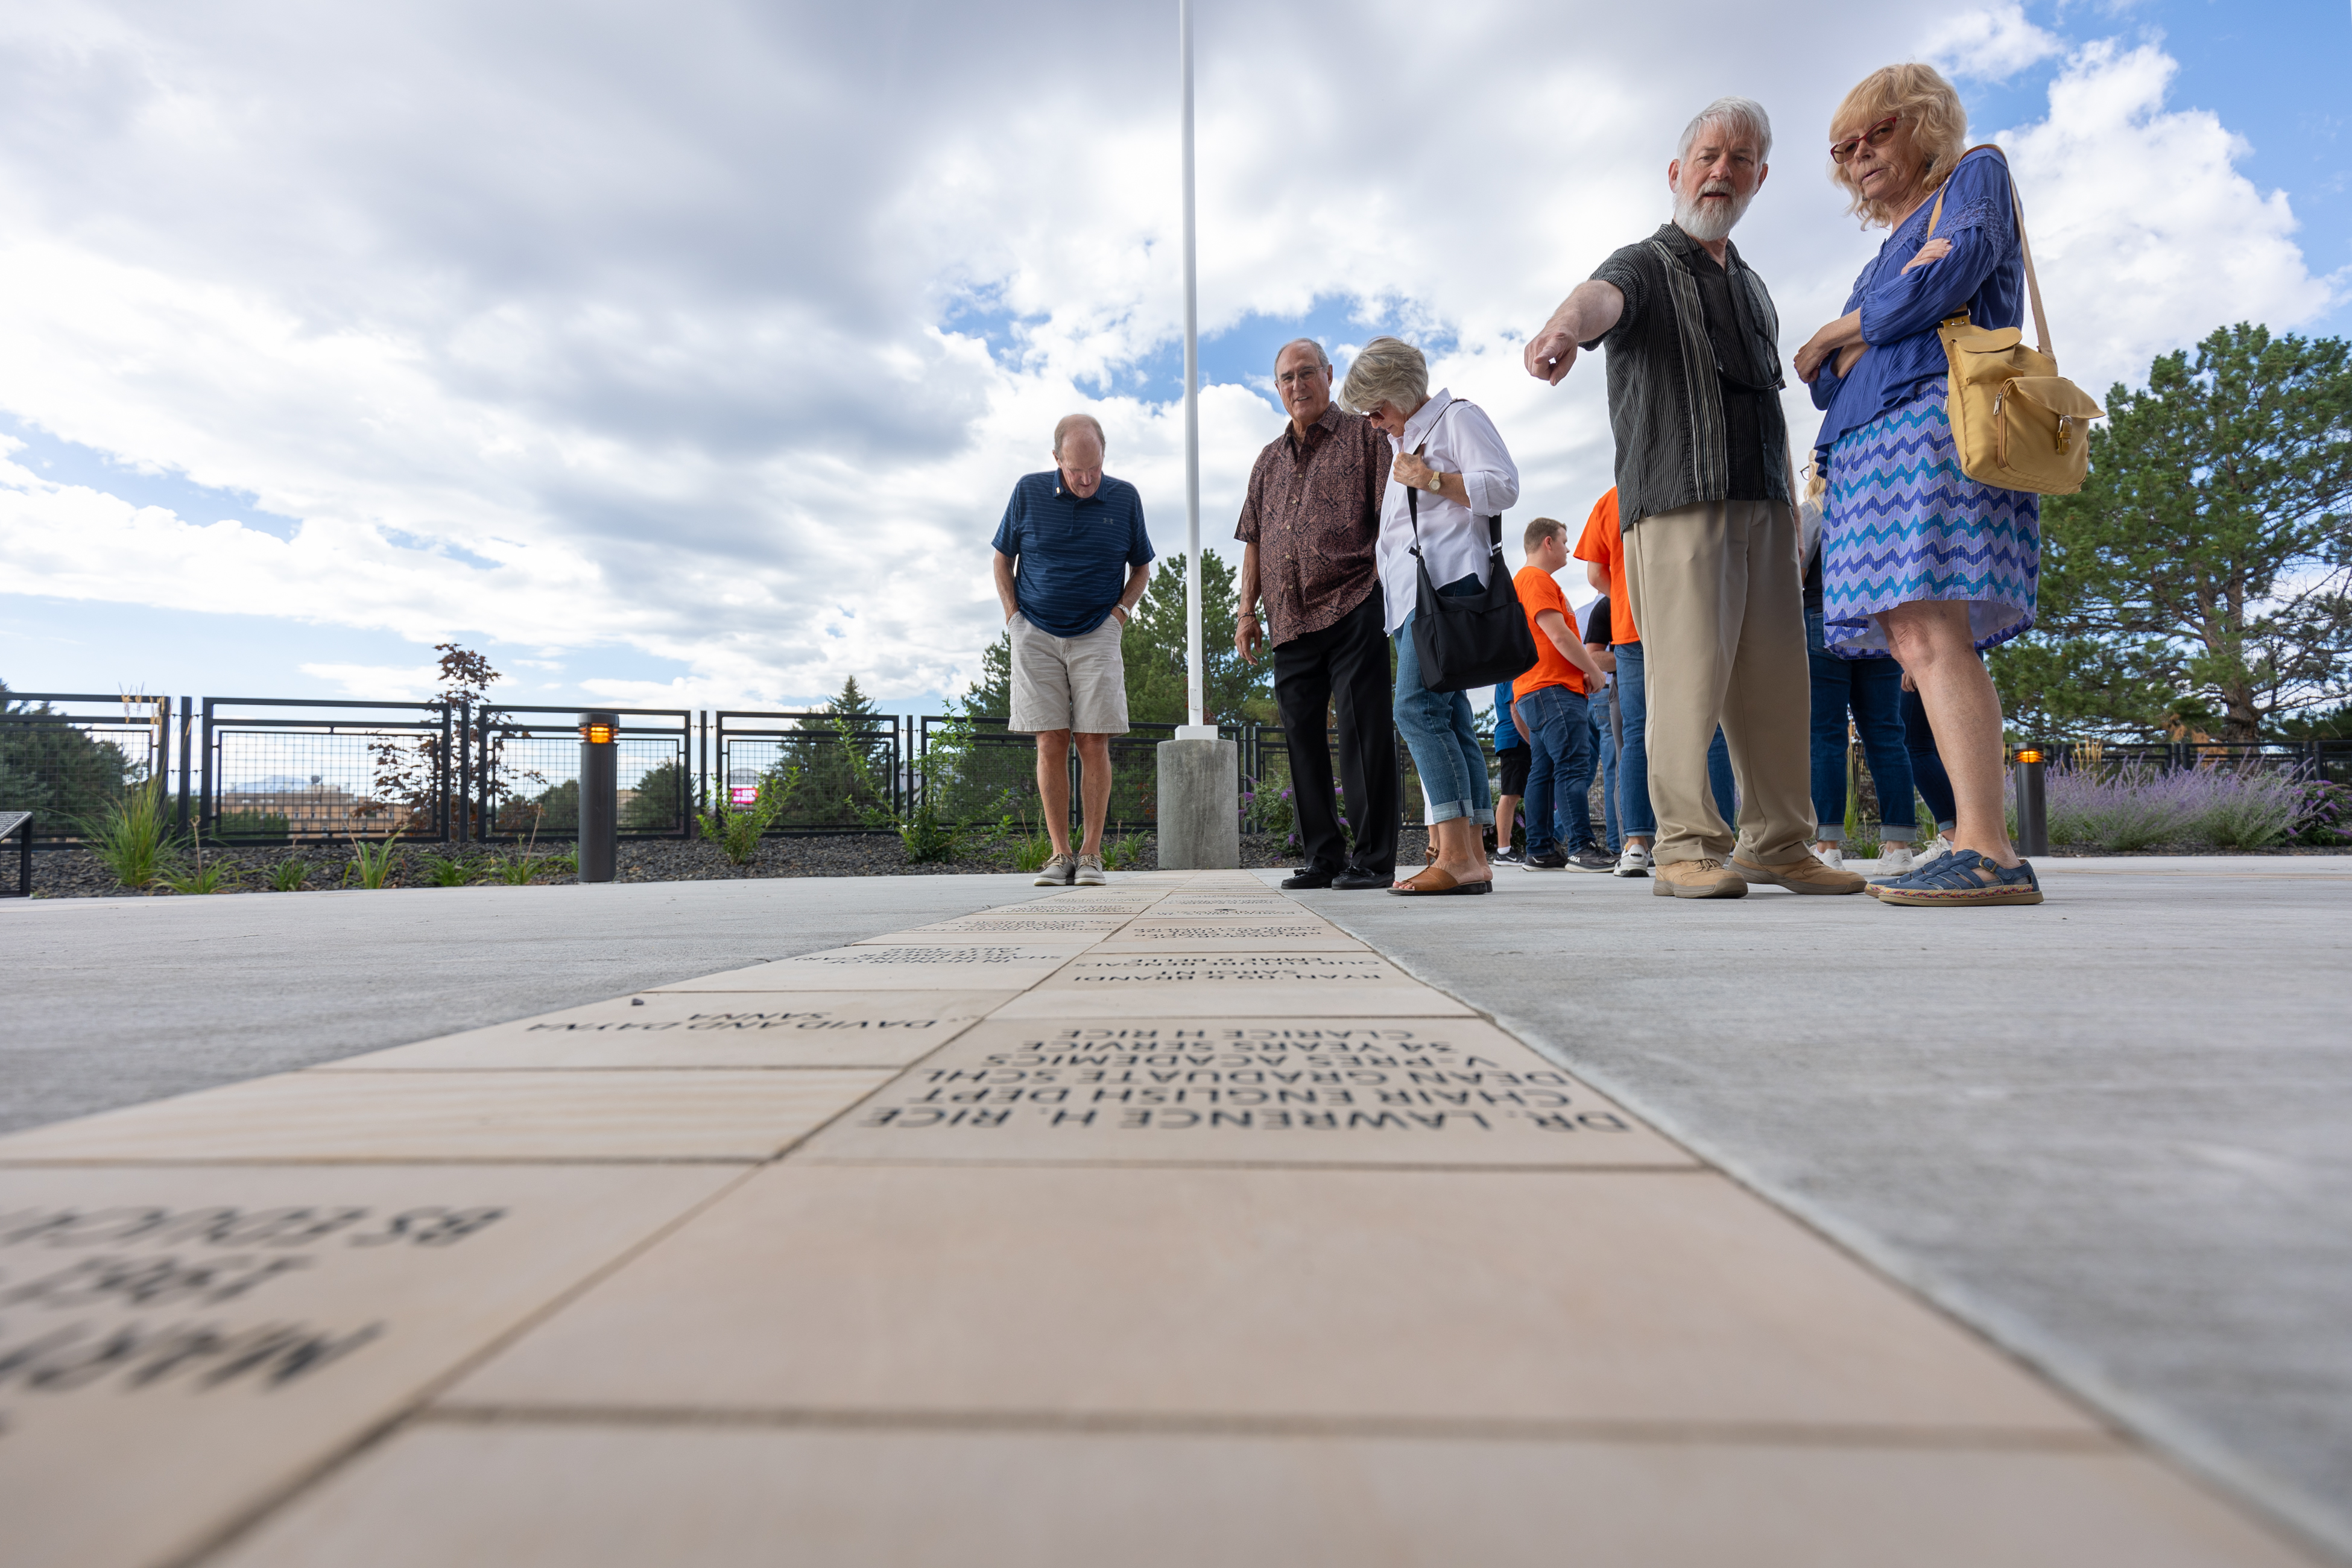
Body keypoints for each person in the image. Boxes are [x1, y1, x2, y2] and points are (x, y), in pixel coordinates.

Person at [1529, 98, 1860, 900]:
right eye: (1709, 156)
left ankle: (1779, 843)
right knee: (1684, 678)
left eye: (1741, 160)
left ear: (1760, 179)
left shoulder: (1752, 286)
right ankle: (1683, 848)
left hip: (1763, 511)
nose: (1723, 171)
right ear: (1677, 173)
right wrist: (1563, 329)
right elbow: (1597, 297)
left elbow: (1768, 403)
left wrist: (1788, 514)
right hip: (1677, 502)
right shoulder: (1645, 261)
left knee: (1780, 683)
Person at [1795, 63, 2044, 906]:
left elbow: (1954, 274)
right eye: (1844, 146)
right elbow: (1825, 380)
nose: (1860, 154)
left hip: (1935, 424)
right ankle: (1973, 841)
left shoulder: (1975, 173)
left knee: (1936, 634)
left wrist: (1849, 326)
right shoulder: (1884, 255)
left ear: (1926, 122)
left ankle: (1989, 849)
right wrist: (1883, 313)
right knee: (1913, 640)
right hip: (1865, 450)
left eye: (1880, 130)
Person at [1342, 337, 1520, 897]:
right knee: (1450, 716)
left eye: (1376, 411)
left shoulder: (1455, 419)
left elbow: (1504, 487)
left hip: (1443, 591)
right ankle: (1464, 850)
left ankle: (1460, 856)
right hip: (1415, 599)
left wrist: (1432, 480)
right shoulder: (1413, 435)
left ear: (1398, 393)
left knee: (1416, 708)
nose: (1374, 424)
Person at [1235, 338, 1399, 891]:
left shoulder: (1363, 435)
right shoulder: (1267, 460)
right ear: (1276, 388)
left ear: (1329, 375)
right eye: (1286, 378)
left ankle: (1374, 859)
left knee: (1362, 733)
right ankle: (1322, 857)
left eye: (1307, 373)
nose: (1297, 385)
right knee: (1302, 740)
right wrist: (1245, 613)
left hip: (1354, 601)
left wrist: (1386, 586)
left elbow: (1392, 518)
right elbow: (1253, 541)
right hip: (1288, 619)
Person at [993, 414, 1153, 887]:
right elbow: (1003, 559)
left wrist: (1119, 615)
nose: (1086, 480)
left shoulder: (1125, 498)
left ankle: (1091, 856)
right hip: (1035, 632)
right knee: (1051, 740)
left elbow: (1140, 568)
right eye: (1075, 470)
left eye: (1095, 469)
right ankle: (1059, 854)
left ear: (1104, 455)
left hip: (1097, 632)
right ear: (1057, 459)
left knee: (1094, 740)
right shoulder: (1027, 491)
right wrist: (1013, 618)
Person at [1573, 486, 1740, 877]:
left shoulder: (1611, 498)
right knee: (1710, 728)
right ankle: (1721, 840)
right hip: (1693, 617)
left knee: (1637, 734)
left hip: (1633, 626)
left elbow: (1597, 572)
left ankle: (1636, 845)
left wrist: (1629, 592)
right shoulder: (1693, 483)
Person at [1800, 467, 1918, 871]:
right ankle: (1899, 847)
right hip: (1880, 626)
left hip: (1824, 620)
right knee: (1887, 735)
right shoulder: (1881, 509)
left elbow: (1795, 573)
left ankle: (1828, 848)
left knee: (1825, 736)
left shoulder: (1813, 510)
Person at [1513, 519, 1614, 871]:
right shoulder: (1537, 580)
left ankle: (1540, 849)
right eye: (1565, 542)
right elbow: (1558, 635)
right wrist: (1594, 670)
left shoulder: (1525, 581)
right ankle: (1581, 848)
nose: (1570, 549)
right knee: (1572, 766)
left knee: (1543, 770)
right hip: (1554, 687)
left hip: (1536, 689)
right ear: (1548, 543)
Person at [1581, 594, 1623, 859]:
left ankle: (1558, 832)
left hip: (1584, 695)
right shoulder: (1613, 606)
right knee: (1615, 768)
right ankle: (1619, 842)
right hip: (1609, 691)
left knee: (1581, 772)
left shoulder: (1580, 612)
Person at [1492, 680, 1528, 863]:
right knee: (1511, 794)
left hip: (1514, 738)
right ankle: (1504, 851)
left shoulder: (1508, 672)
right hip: (1515, 739)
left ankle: (1505, 850)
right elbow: (1515, 710)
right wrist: (1532, 741)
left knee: (1515, 794)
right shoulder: (1511, 675)